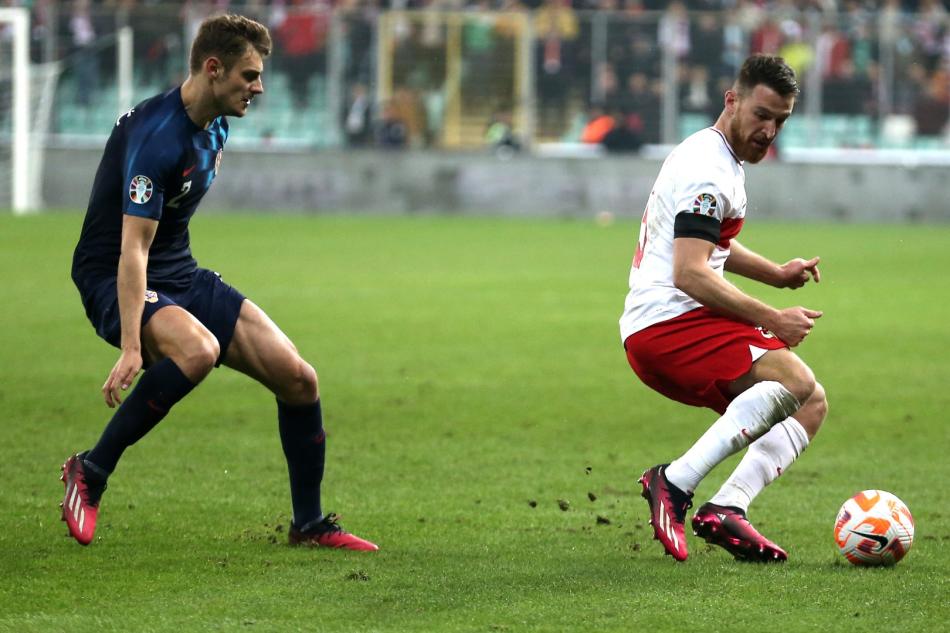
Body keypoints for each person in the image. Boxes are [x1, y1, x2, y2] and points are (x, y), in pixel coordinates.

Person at [63, 14, 377, 551]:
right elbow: (132, 249)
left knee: (299, 379)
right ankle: (90, 471)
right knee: (197, 350)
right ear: (213, 68)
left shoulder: (217, 123)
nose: (259, 88)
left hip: (179, 272)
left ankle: (307, 525)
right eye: (250, 75)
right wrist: (133, 343)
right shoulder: (156, 138)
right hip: (114, 274)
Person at [619, 55, 825, 563]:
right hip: (670, 323)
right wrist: (773, 317)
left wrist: (776, 273)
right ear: (732, 101)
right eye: (761, 115)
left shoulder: (716, 156)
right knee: (794, 380)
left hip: (671, 321)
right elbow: (690, 272)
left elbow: (711, 246)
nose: (769, 130)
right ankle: (674, 482)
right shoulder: (707, 172)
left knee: (810, 403)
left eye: (780, 121)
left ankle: (728, 508)